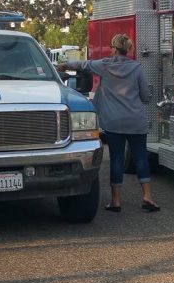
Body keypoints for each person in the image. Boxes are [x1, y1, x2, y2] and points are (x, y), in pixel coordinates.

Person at [57, 34, 160, 213]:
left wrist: (64, 65)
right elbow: (144, 95)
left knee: (117, 159)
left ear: (113, 48)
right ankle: (148, 197)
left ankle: (116, 201)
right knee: (141, 158)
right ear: (127, 49)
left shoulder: (105, 65)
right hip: (136, 120)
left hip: (114, 122)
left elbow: (83, 65)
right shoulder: (137, 68)